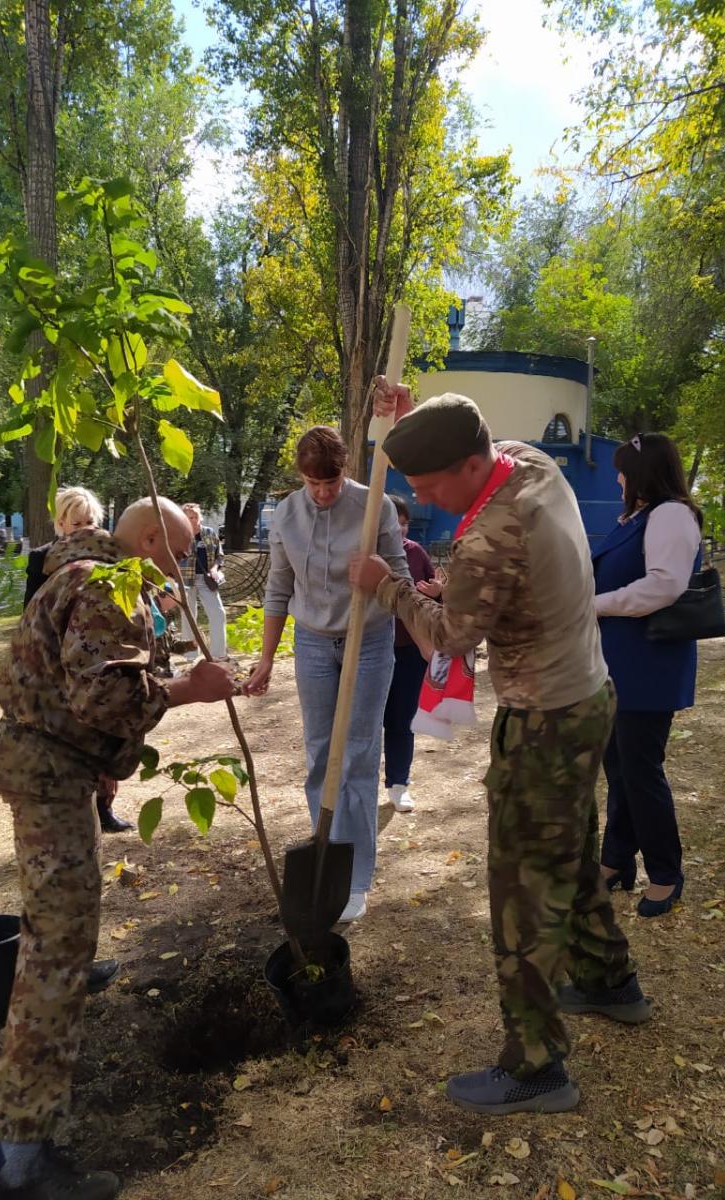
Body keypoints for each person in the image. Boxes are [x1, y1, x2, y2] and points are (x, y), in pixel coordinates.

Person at [350, 386, 651, 1116]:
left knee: (523, 890)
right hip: (588, 696)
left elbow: (448, 641)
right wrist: (413, 409)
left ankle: (536, 1065)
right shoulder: (530, 463)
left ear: (468, 464)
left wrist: (388, 587)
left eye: (427, 485)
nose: (422, 499)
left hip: (544, 721)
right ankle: (609, 981)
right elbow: (468, 431)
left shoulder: (490, 537)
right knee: (570, 852)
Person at [0, 497, 237, 1200]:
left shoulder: (82, 572)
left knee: (57, 939)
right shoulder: (106, 585)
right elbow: (102, 697)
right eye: (178, 554)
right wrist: (191, 687)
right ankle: (21, 1157)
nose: (180, 570)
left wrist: (102, 755)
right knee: (57, 953)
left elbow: (67, 687)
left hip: (54, 762)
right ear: (151, 539)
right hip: (48, 772)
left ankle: (21, 1135)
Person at [243, 426, 410, 922]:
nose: (322, 493)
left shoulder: (374, 505)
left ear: (345, 470)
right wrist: (268, 657)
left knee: (358, 752)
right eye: (313, 483)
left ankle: (355, 877)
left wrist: (377, 575)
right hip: (313, 641)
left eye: (331, 482)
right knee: (320, 751)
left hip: (370, 639)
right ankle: (326, 849)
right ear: (301, 477)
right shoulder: (287, 515)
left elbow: (398, 575)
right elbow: (278, 589)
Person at [592, 433, 702, 917]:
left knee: (640, 771)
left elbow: (664, 586)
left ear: (642, 474)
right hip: (619, 663)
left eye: (622, 469)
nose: (616, 478)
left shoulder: (671, 515)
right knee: (618, 767)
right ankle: (617, 861)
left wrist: (593, 606)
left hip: (649, 664)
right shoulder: (635, 517)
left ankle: (665, 872)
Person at [23, 486, 133, 834]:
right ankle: (74, 810)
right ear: (61, 523)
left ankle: (105, 807)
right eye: (76, 522)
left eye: (90, 521)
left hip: (97, 657)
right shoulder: (43, 558)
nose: (84, 528)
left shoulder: (109, 555)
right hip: (58, 661)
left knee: (106, 732)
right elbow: (30, 611)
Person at [382, 494, 441, 812]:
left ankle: (398, 784)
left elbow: (435, 599)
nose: (401, 530)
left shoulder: (415, 553)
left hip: (407, 653)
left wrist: (438, 593)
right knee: (365, 724)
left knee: (401, 721)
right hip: (369, 651)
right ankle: (359, 785)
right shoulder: (366, 554)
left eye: (404, 524)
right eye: (394, 524)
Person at [179, 502, 228, 660]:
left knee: (218, 614)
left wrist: (214, 568)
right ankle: (190, 654)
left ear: (200, 516)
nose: (192, 520)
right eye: (188, 517)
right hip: (185, 579)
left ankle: (218, 654)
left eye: (195, 516)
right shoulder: (179, 534)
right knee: (188, 616)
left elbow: (219, 556)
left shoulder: (209, 532)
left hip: (206, 579)